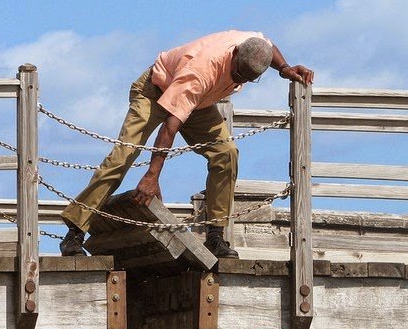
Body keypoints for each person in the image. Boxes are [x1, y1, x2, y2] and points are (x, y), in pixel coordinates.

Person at [59, 29, 314, 258]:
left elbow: (268, 44)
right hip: (154, 91)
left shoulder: (251, 43)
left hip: (199, 103)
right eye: (237, 73)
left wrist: (285, 69)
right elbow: (170, 126)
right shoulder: (201, 71)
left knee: (226, 154)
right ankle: (75, 231)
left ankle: (215, 236)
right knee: (123, 156)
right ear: (234, 54)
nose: (239, 80)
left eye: (246, 79)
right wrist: (152, 176)